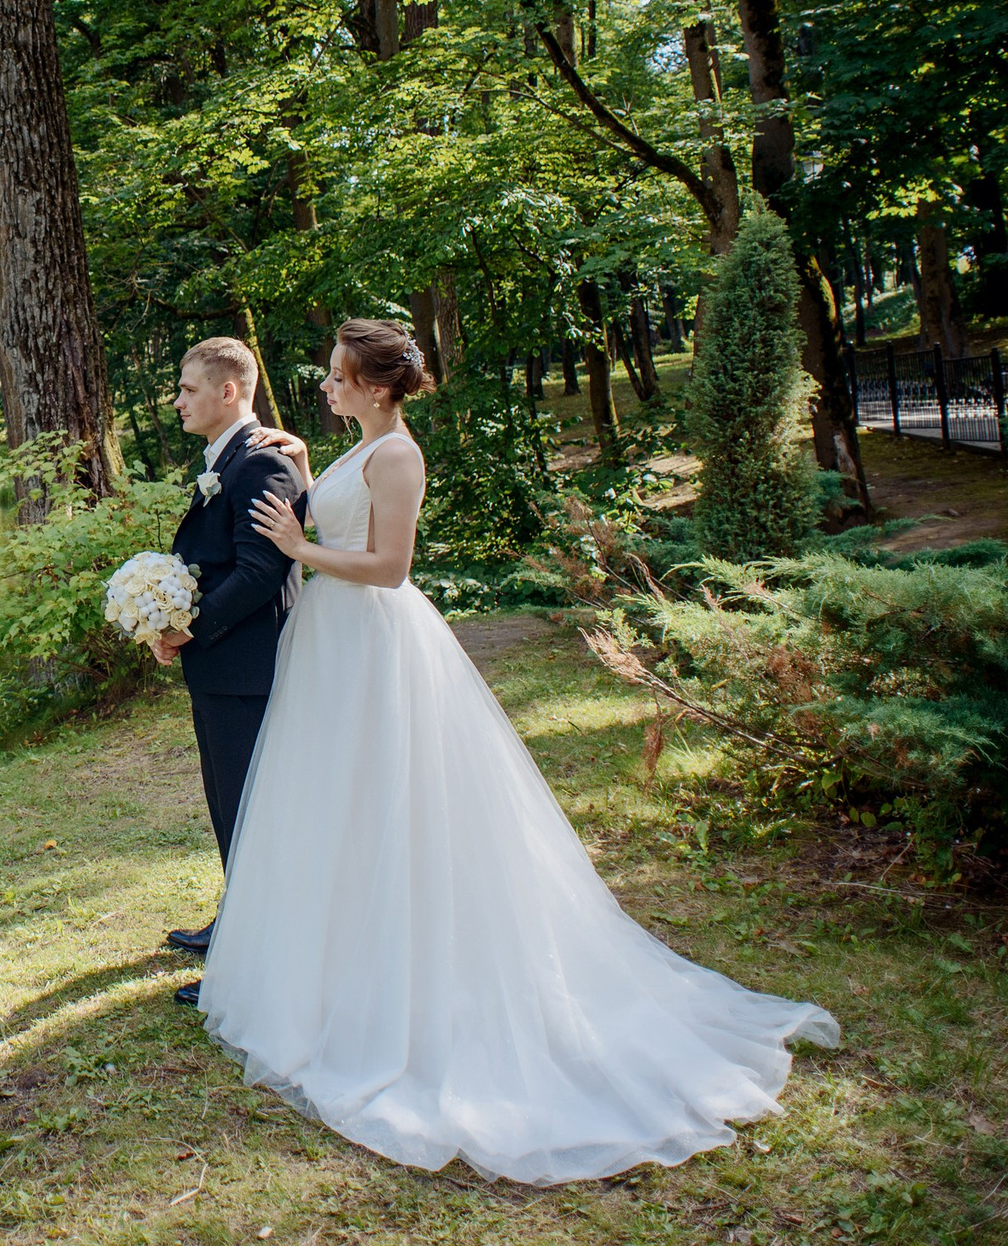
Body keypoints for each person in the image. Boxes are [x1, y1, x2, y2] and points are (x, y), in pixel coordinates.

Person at [199, 318, 839, 1184]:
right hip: (329, 641)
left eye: (339, 376)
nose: (327, 385)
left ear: (378, 388)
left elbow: (389, 567)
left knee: (392, 797)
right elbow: (342, 513)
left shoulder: (400, 455)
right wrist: (310, 469)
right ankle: (339, 958)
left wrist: (299, 548)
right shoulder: (359, 448)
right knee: (338, 802)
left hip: (373, 637)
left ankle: (407, 969)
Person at [151, 337, 304, 1004]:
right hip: (220, 667)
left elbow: (261, 572)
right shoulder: (228, 458)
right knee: (227, 803)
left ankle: (257, 960)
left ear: (228, 391)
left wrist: (191, 627)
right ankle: (238, 919)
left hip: (248, 668)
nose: (178, 401)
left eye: (188, 389)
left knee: (250, 808)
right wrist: (163, 615)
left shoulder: (260, 464)